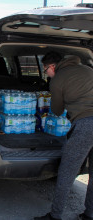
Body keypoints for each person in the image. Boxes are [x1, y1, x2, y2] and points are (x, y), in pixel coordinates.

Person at [34, 51, 93, 220]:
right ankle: (90, 213)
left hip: (86, 124)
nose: (47, 74)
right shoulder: (88, 69)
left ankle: (55, 215)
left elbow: (57, 111)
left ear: (52, 67)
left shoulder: (58, 80)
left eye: (45, 70)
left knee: (67, 171)